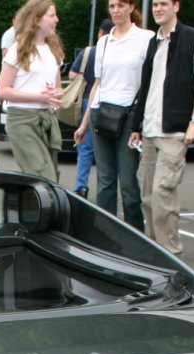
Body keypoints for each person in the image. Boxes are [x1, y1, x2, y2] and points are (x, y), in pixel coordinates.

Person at [129, 0, 194, 257]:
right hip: (149, 130)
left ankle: (171, 254)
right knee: (147, 197)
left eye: (163, 4)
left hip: (175, 131)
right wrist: (137, 126)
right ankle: (154, 252)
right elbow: (147, 86)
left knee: (162, 194)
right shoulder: (153, 41)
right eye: (155, 4)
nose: (158, 8)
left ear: (176, 6)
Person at [74, 0, 150, 228]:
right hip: (101, 112)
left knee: (128, 181)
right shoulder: (104, 42)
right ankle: (106, 234)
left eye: (120, 5)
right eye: (112, 6)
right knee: (105, 180)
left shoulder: (145, 38)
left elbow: (150, 81)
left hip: (129, 115)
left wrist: (140, 122)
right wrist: (84, 124)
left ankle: (135, 234)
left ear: (131, 7)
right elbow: (97, 84)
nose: (115, 10)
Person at [0, 0, 63, 182]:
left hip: (47, 119)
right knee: (42, 176)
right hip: (22, 121)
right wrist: (38, 97)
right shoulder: (18, 49)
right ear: (36, 20)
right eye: (52, 15)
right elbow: (2, 90)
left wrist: (56, 94)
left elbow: (58, 88)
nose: (56, 19)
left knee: (50, 178)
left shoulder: (53, 50)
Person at [68, 19, 112, 198]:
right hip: (111, 103)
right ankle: (106, 187)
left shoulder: (88, 52)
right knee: (106, 149)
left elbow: (72, 74)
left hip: (88, 100)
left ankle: (81, 186)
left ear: (100, 32)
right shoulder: (116, 51)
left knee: (85, 147)